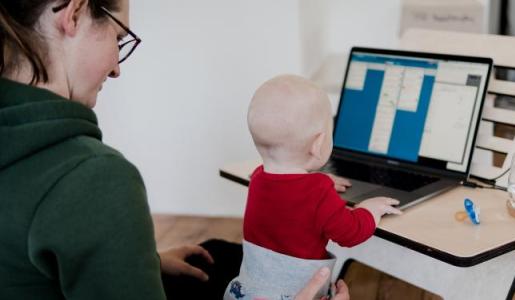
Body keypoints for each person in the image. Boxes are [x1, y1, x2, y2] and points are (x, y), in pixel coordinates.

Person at [0, 0, 349, 299]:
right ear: (74, 13)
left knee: (216, 257)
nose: (117, 67)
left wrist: (138, 263)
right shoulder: (92, 177)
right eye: (119, 38)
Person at [224, 75, 402, 299]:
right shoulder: (318, 191)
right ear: (319, 145)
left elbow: (288, 195)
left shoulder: (258, 178)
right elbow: (350, 233)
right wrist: (369, 210)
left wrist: (320, 180)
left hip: (247, 292)